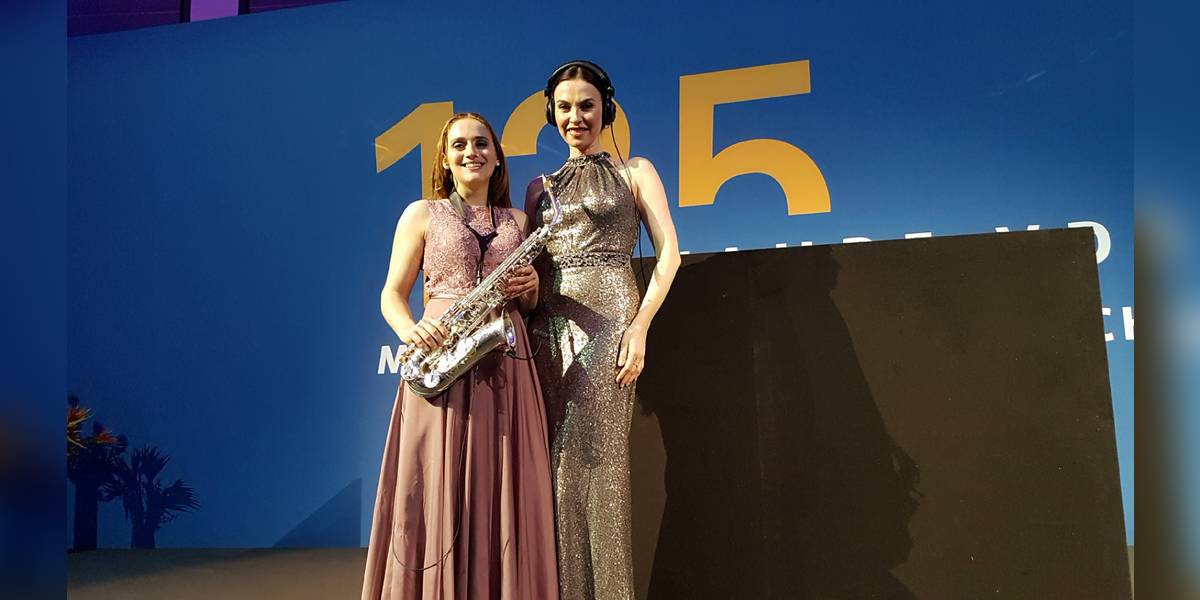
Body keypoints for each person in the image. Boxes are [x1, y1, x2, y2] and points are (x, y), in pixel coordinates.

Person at [362, 112, 558, 599]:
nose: (472, 152)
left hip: (505, 360)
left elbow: (530, 306)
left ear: (498, 157)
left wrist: (532, 289)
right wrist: (412, 329)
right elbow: (391, 295)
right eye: (460, 145)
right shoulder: (421, 213)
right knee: (435, 483)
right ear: (445, 161)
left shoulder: (519, 221)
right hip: (442, 356)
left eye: (482, 143)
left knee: (501, 484)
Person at [524, 61, 681, 599]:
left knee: (604, 468)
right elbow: (535, 271)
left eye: (587, 106)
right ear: (551, 114)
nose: (576, 117)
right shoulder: (538, 188)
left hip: (612, 321)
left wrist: (640, 327)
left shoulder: (636, 171)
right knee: (561, 466)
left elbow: (669, 254)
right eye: (564, 108)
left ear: (606, 109)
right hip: (550, 330)